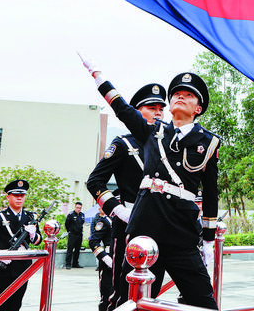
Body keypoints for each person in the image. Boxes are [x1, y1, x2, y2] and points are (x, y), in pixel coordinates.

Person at [81, 56, 220, 310]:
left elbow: (211, 193)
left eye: (188, 95)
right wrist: (98, 76)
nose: (180, 96)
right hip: (146, 228)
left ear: (198, 108)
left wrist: (209, 241)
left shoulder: (208, 142)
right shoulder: (151, 132)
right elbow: (121, 108)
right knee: (131, 302)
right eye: (176, 93)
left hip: (182, 233)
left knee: (203, 302)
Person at [86, 82, 166, 310]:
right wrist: (117, 210)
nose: (158, 112)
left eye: (161, 108)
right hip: (130, 223)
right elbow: (95, 181)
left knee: (153, 292)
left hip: (161, 223)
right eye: (152, 108)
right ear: (136, 112)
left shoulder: (167, 145)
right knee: (123, 294)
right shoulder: (123, 144)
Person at [0, 180, 42, 311]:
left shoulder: (30, 217)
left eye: (22, 196)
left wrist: (32, 235)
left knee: (16, 304)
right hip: (2, 268)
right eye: (15, 195)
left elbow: (38, 240)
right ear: (8, 197)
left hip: (23, 268)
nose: (19, 198)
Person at [90, 207, 114, 311]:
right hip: (109, 260)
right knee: (107, 295)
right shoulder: (105, 221)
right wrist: (104, 257)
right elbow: (93, 241)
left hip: (122, 260)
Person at [64, 201, 85, 269]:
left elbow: (82, 223)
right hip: (72, 234)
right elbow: (67, 224)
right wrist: (70, 231)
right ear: (75, 207)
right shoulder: (71, 214)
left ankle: (75, 263)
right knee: (70, 249)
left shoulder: (82, 215)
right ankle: (68, 264)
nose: (78, 209)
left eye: (80, 208)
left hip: (79, 234)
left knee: (77, 249)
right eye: (77, 207)